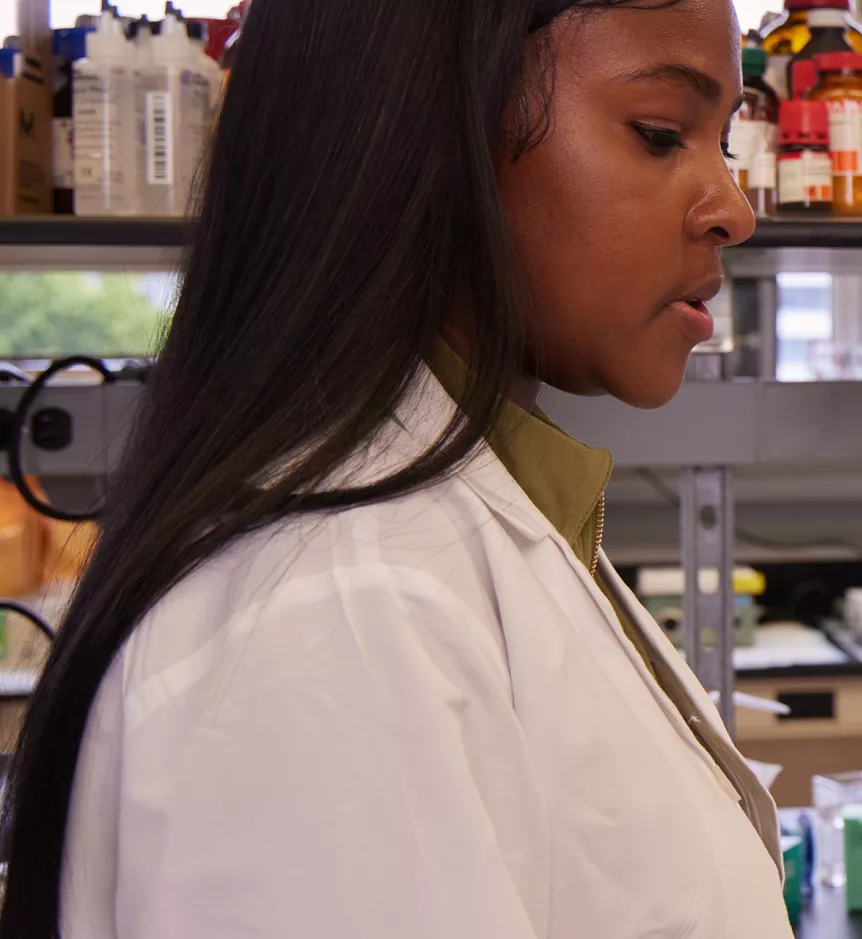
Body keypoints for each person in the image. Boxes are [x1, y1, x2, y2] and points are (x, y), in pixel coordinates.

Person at [0, 2, 785, 937]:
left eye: (725, 142)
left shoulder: (458, 528)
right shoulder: (330, 609)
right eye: (660, 133)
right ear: (433, 124)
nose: (734, 209)